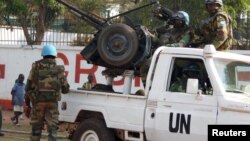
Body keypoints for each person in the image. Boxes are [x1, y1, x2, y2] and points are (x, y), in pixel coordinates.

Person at [25, 44, 70, 141]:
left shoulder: (35, 67)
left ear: (43, 54)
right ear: (55, 55)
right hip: (52, 104)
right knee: (52, 131)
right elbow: (66, 90)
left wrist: (27, 104)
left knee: (36, 130)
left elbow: (28, 87)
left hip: (37, 103)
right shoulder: (59, 70)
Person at [140, 10, 193, 86]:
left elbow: (181, 44)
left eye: (179, 21)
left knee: (149, 66)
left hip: (172, 57)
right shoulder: (170, 31)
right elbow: (159, 41)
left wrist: (166, 47)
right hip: (161, 53)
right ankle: (147, 86)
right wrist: (149, 34)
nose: (177, 22)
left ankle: (151, 87)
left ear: (184, 21)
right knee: (145, 66)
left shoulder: (187, 33)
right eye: (176, 20)